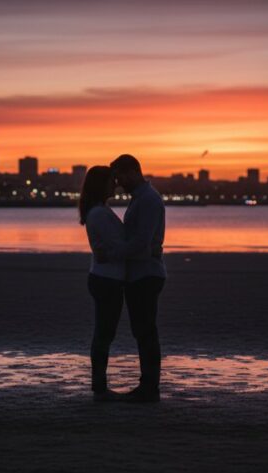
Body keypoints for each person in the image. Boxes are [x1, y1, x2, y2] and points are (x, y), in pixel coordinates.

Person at [97, 154, 166, 403]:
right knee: (143, 331)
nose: (118, 183)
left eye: (120, 177)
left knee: (145, 332)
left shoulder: (147, 200)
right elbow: (142, 242)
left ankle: (149, 387)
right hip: (142, 272)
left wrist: (111, 253)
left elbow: (141, 242)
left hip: (146, 274)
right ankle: (148, 385)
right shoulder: (142, 198)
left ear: (133, 172)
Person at [79, 166, 126, 402]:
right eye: (111, 181)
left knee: (105, 332)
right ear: (101, 185)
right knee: (104, 333)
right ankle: (99, 386)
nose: (115, 185)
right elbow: (114, 246)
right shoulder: (99, 213)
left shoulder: (100, 211)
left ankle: (99, 384)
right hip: (106, 279)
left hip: (105, 277)